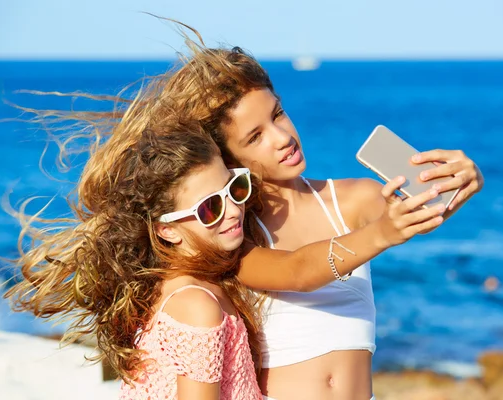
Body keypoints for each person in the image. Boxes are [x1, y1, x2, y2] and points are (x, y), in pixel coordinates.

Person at [143, 25, 485, 400]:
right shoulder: (236, 234)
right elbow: (299, 270)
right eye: (255, 137)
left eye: (278, 114)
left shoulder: (352, 199)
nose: (282, 137)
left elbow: (420, 216)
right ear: (228, 158)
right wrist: (383, 233)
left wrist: (460, 182)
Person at [5, 122, 264, 399]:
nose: (234, 210)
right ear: (167, 230)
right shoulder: (197, 306)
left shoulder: (174, 285)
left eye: (234, 187)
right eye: (210, 208)